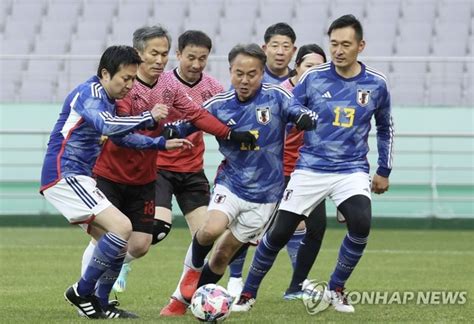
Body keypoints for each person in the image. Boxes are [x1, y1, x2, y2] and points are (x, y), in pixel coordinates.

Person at [79, 26, 254, 312]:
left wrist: (230, 133)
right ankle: (88, 294)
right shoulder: (125, 85)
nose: (160, 60)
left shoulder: (170, 87)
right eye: (154, 54)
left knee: (142, 245)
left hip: (151, 176)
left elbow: (197, 114)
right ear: (139, 54)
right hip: (115, 174)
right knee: (117, 238)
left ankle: (180, 298)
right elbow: (118, 132)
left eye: (163, 54)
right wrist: (159, 136)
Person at [232, 14, 394, 314]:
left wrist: (384, 170)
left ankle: (336, 288)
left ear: (361, 45)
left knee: (361, 224)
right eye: (334, 44)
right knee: (279, 233)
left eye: (346, 44)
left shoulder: (376, 83)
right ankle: (247, 293)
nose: (339, 50)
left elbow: (385, 127)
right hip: (310, 168)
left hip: (352, 170)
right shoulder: (313, 77)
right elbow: (287, 106)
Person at [162, 43, 316, 316]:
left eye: (252, 74)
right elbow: (190, 122)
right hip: (230, 183)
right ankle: (190, 275)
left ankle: (188, 302)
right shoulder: (219, 104)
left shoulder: (276, 96)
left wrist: (305, 117)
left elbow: (297, 110)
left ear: (261, 74)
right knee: (210, 229)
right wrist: (173, 129)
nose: (245, 80)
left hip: (266, 197)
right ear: (230, 71)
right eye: (239, 73)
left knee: (222, 255)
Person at [39, 45, 178, 319]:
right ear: (105, 73)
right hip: (64, 174)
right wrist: (149, 117)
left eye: (132, 79)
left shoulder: (108, 102)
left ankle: (100, 304)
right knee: (122, 226)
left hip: (80, 177)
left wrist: (160, 143)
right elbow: (107, 125)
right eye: (125, 78)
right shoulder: (89, 93)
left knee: (117, 241)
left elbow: (120, 137)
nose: (129, 85)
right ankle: (81, 291)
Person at [154, 31, 228, 316]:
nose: (197, 64)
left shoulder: (214, 88)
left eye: (203, 58)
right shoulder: (163, 83)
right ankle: (120, 265)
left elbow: (225, 121)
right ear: (178, 55)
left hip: (192, 170)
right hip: (159, 166)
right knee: (157, 230)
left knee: (205, 237)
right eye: (191, 58)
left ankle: (177, 301)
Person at [278, 43, 328, 300]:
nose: (314, 72)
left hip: (309, 172)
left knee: (317, 227)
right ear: (296, 66)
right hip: (276, 172)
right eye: (309, 66)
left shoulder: (325, 97)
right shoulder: (282, 93)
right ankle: (235, 279)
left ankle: (295, 287)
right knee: (251, 229)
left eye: (320, 67)